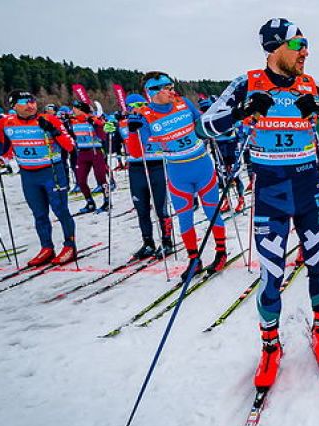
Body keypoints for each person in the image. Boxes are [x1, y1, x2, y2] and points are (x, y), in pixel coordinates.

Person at [198, 17, 319, 388]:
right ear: (275, 48)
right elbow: (203, 126)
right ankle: (270, 346)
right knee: (271, 275)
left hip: (309, 191)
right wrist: (241, 112)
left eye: (306, 45)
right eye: (298, 44)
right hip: (271, 192)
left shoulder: (310, 85)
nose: (306, 51)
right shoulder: (247, 83)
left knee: (318, 265)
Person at [126, 72, 226, 278]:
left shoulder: (184, 103)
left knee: (212, 212)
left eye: (172, 86)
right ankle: (194, 260)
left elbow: (203, 127)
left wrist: (209, 116)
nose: (173, 90)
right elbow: (136, 152)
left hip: (202, 167)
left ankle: (221, 253)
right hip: (177, 172)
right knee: (185, 217)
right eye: (167, 87)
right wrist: (133, 131)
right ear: (152, 92)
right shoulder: (145, 115)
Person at [0, 90, 77, 265]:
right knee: (39, 214)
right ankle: (46, 247)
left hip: (52, 172)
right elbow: (3, 150)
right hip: (28, 174)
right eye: (25, 102)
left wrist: (54, 131)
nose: (30, 105)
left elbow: (70, 146)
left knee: (61, 210)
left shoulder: (48, 119)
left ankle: (70, 245)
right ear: (14, 105)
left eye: (32, 101)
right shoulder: (6, 123)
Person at [122, 93, 173, 259]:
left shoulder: (154, 118)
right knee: (141, 209)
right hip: (136, 168)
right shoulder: (124, 122)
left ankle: (166, 242)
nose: (136, 109)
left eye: (140, 105)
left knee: (161, 208)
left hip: (157, 165)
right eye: (131, 106)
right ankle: (148, 243)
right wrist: (109, 132)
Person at [69, 100, 110, 213]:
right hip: (82, 153)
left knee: (101, 179)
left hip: (95, 152)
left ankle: (107, 202)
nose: (73, 110)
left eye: (75, 108)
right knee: (80, 180)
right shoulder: (73, 121)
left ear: (81, 110)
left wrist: (96, 124)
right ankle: (90, 203)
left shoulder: (92, 119)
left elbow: (103, 137)